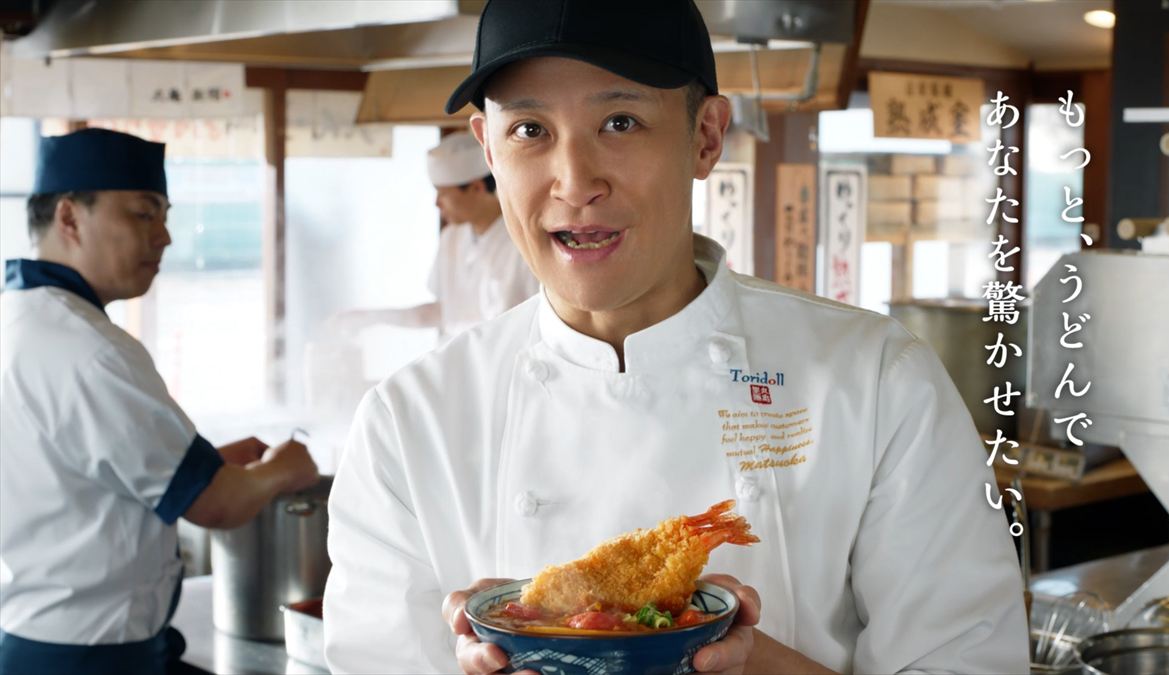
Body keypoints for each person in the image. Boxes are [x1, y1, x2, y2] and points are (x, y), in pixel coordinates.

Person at [322, 0, 1029, 672]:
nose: (575, 182)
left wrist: (759, 667)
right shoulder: (408, 422)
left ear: (706, 137)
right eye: (530, 131)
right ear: (488, 149)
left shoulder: (875, 379)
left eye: (620, 121)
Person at [0, 128, 320, 675]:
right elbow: (217, 506)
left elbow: (75, 471)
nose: (165, 236)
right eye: (143, 213)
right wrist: (285, 468)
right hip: (91, 657)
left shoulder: (21, 317)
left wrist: (209, 460)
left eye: (165, 215)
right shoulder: (92, 349)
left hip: (33, 638)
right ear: (70, 217)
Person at [339, 131, 538, 341]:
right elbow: (447, 314)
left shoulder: (523, 241)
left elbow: (532, 321)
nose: (437, 203)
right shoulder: (452, 237)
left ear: (476, 188)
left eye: (443, 193)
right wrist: (371, 318)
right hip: (457, 354)